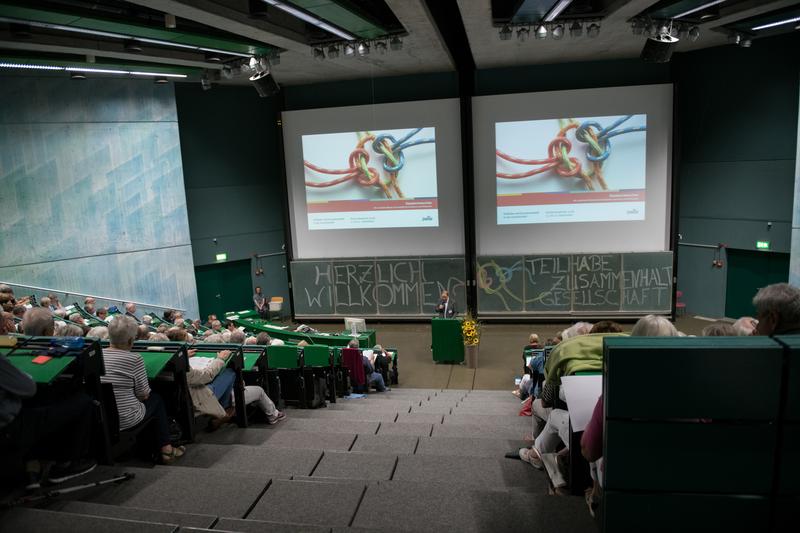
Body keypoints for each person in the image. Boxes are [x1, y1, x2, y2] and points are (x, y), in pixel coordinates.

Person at [1, 350, 97, 489]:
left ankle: (32, 465)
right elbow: (28, 388)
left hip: (11, 423)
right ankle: (66, 465)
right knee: (84, 401)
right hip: (9, 427)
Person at [102, 316, 184, 463]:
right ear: (131, 340)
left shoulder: (98, 355)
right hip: (125, 420)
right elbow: (144, 395)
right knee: (157, 399)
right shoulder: (134, 359)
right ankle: (166, 449)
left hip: (101, 417)